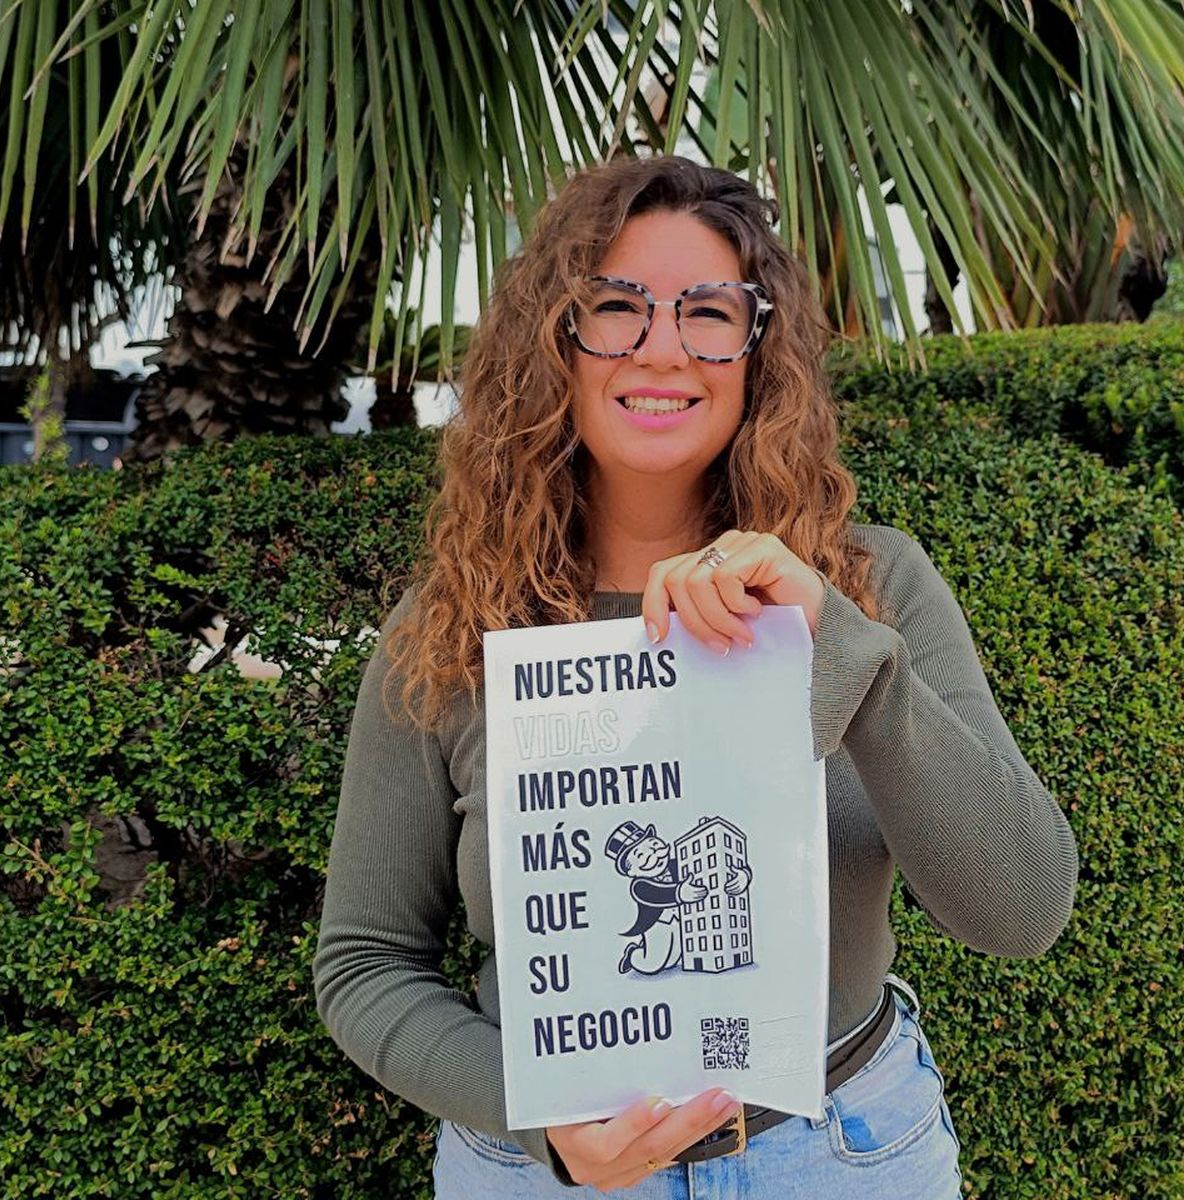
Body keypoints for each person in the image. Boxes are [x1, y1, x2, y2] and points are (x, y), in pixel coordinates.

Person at [313, 154, 1079, 1197]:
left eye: (709, 311)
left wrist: (844, 650)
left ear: (760, 354)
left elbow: (1022, 910)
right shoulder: (454, 629)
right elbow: (362, 964)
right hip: (541, 1174)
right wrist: (531, 1115)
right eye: (615, 307)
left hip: (841, 1152)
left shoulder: (873, 584)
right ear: (553, 346)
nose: (662, 348)